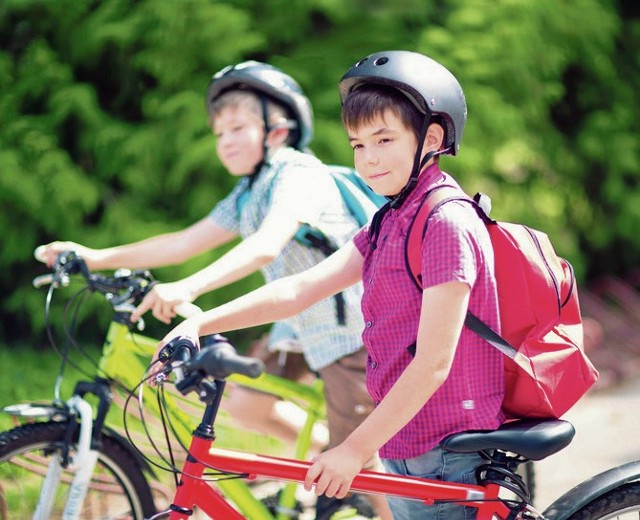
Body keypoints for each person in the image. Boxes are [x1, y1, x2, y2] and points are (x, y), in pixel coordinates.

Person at [154, 50, 505, 519]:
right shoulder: (389, 220)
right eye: (358, 144)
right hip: (404, 439)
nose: (369, 158)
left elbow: (433, 364)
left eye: (384, 139)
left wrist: (352, 450)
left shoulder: (445, 221)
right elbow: (299, 290)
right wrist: (200, 323)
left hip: (445, 452)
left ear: (432, 137)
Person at [35, 60, 391, 519]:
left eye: (238, 127)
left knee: (365, 467)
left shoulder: (299, 173)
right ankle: (323, 451)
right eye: (219, 133)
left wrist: (189, 286)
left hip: (351, 338)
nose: (225, 141)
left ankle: (379, 501)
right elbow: (184, 241)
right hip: (299, 332)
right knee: (245, 402)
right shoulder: (248, 192)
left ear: (278, 130)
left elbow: (266, 246)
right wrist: (94, 256)